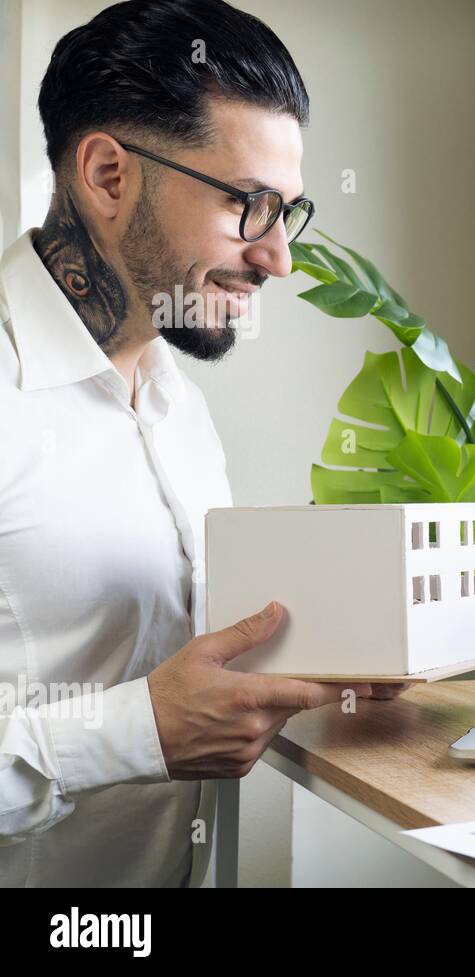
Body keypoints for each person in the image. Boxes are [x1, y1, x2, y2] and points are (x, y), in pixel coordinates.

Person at [0, 0, 406, 887]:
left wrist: (331, 658)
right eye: (248, 205)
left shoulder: (179, 409)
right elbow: (152, 713)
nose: (279, 260)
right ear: (108, 175)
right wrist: (137, 729)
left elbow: (178, 671)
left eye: (285, 212)